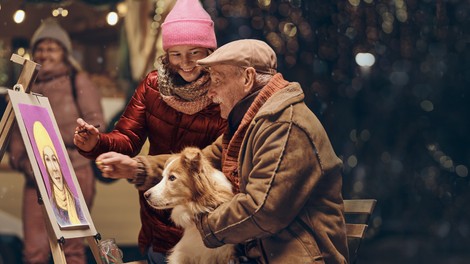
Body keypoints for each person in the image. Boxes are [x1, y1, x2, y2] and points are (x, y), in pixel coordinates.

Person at [96, 39, 350, 263]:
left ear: (247, 78)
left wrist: (202, 226)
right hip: (259, 254)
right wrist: (139, 168)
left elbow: (261, 210)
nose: (211, 91)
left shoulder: (284, 126)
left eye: (217, 80)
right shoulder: (247, 125)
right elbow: (196, 164)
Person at [72, 0, 227, 263]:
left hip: (207, 227)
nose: (185, 63)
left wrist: (140, 168)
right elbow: (128, 138)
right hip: (156, 219)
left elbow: (219, 158)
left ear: (210, 50)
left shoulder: (224, 90)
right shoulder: (153, 85)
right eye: (176, 54)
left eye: (195, 52)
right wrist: (96, 143)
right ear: (166, 54)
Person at [8, 18, 105, 264]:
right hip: (36, 179)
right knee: (34, 251)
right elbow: (18, 133)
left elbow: (96, 124)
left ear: (64, 52)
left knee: (71, 250)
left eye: (52, 48)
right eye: (41, 47)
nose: (45, 53)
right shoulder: (25, 86)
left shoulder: (77, 81)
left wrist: (54, 138)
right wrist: (24, 162)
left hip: (74, 174)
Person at [33, 121, 87, 228]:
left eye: (54, 159)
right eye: (47, 160)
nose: (54, 168)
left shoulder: (76, 205)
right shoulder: (50, 204)